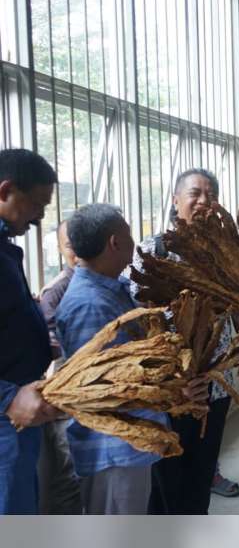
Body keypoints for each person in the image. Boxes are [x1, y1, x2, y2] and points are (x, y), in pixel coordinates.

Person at [130, 168, 239, 515]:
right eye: (195, 193)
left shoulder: (224, 253)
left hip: (216, 384)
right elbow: (137, 314)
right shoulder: (153, 249)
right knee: (168, 478)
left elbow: (238, 303)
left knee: (202, 470)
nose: (205, 201)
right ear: (176, 200)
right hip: (170, 389)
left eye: (211, 195)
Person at [55, 203, 208, 514]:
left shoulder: (114, 289)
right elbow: (105, 389)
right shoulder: (89, 304)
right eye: (128, 234)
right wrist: (174, 392)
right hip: (113, 450)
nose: (134, 242)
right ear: (114, 242)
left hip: (131, 444)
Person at [0, 148, 61, 515]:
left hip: (22, 406)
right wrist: (7, 398)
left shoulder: (5, 247)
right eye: (37, 204)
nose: (39, 218)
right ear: (5, 190)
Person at [36, 220, 82, 514]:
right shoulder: (55, 292)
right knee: (69, 479)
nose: (77, 252)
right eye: (69, 246)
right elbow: (55, 352)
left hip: (95, 399)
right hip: (65, 402)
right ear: (60, 250)